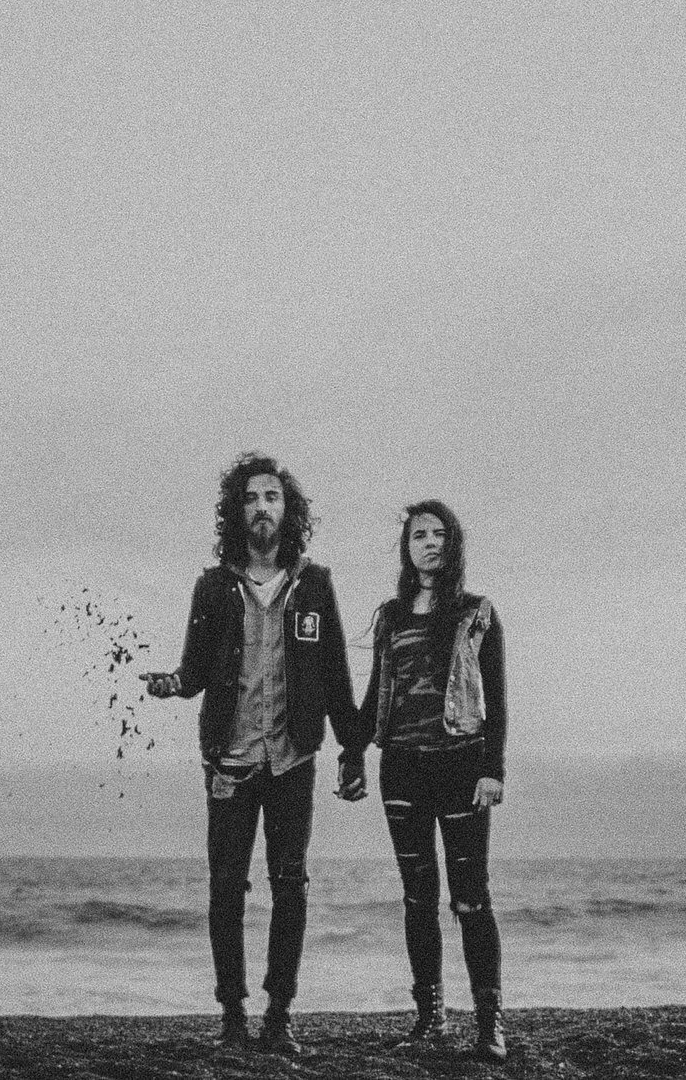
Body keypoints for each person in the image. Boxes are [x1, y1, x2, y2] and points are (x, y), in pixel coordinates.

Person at [141, 451, 367, 1054]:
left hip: (293, 759)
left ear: (287, 509)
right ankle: (233, 1016)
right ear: (235, 512)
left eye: (271, 497)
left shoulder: (314, 585)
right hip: (231, 760)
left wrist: (352, 749)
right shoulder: (212, 587)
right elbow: (194, 672)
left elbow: (336, 674)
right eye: (249, 498)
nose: (261, 507)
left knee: (289, 885)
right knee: (225, 887)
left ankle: (280, 1015)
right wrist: (171, 683)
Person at [356, 498, 510, 1062]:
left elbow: (496, 698)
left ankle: (490, 1023)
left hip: (462, 768)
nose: (430, 543)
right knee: (419, 900)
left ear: (454, 543)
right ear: (407, 546)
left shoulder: (477, 612)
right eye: (420, 535)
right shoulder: (391, 617)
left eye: (440, 534)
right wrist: (351, 752)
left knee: (470, 900)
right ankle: (430, 1019)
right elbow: (376, 696)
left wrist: (494, 769)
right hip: (402, 769)